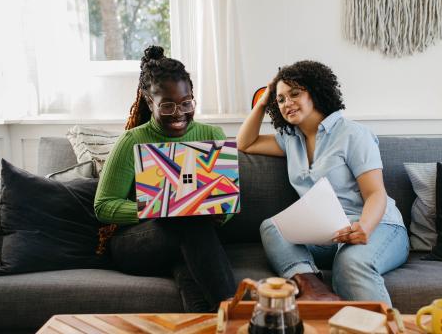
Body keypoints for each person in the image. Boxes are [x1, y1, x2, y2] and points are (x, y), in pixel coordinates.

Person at [236, 60, 409, 305]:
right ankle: (314, 291)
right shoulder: (290, 139)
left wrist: (365, 228)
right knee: (272, 227)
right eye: (281, 99)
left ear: (315, 91)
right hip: (329, 232)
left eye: (295, 93)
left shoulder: (352, 134)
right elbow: (246, 143)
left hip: (378, 227)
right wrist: (264, 101)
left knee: (350, 263)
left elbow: (375, 193)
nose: (287, 103)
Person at [94, 45, 236, 312]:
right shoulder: (132, 141)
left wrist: (221, 213)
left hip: (195, 240)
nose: (179, 112)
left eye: (186, 102)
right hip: (137, 243)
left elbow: (227, 200)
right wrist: (158, 207)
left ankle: (214, 322)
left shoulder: (213, 134)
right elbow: (103, 206)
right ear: (150, 103)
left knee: (190, 254)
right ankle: (234, 310)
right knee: (186, 220)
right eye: (167, 105)